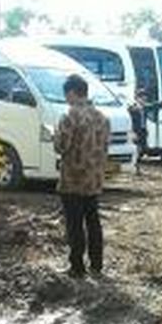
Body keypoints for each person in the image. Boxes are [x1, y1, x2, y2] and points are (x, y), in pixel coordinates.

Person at [54, 74, 111, 278]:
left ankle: (77, 266)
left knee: (75, 224)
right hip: (94, 179)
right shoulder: (102, 118)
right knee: (93, 221)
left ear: (71, 92)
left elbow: (61, 146)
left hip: (73, 179)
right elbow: (105, 148)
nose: (66, 99)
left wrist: (54, 134)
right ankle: (97, 264)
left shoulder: (69, 116)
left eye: (66, 94)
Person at [128, 89, 149, 175]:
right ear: (137, 98)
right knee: (137, 149)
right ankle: (136, 167)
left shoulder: (145, 108)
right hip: (136, 131)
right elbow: (130, 121)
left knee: (143, 149)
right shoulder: (132, 109)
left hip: (143, 131)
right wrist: (132, 132)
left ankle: (137, 165)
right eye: (142, 98)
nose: (143, 100)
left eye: (145, 99)